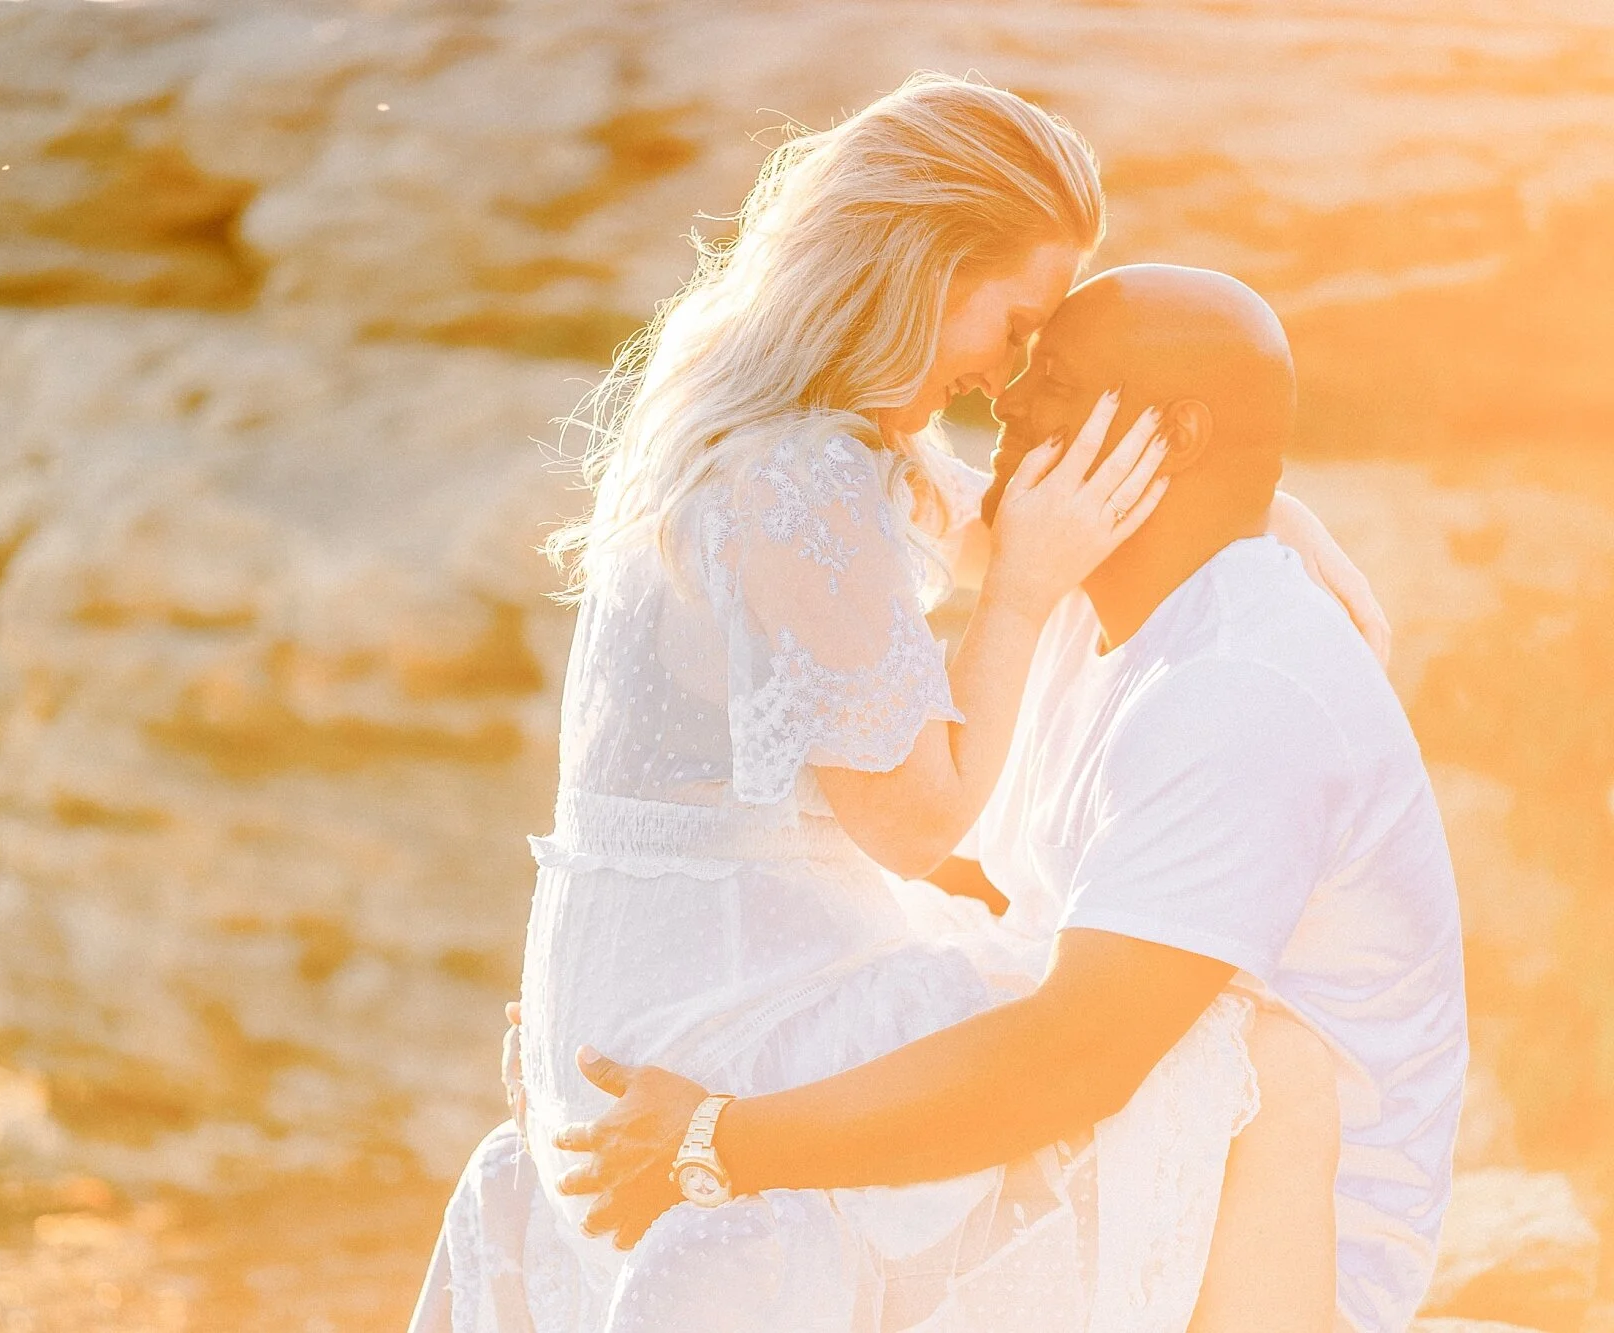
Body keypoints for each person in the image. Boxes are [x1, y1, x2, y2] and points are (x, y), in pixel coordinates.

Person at [411, 74, 1391, 1333]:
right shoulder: (800, 477)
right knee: (1234, 1055)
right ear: (924, 266)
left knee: (1127, 1036)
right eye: (1016, 322)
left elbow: (1017, 522)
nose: (1008, 374)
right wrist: (1024, 600)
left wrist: (1254, 501)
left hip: (650, 969)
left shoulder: (772, 432)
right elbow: (918, 825)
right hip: (724, 995)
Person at [551, 265, 1467, 1333]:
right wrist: (669, 987)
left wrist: (721, 1138)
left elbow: (1077, 1054)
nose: (1008, 401)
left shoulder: (1238, 688)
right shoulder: (1094, 599)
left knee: (743, 1215)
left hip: (1266, 1254)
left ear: (1167, 436)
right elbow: (976, 881)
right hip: (1122, 1144)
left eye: (1055, 380)